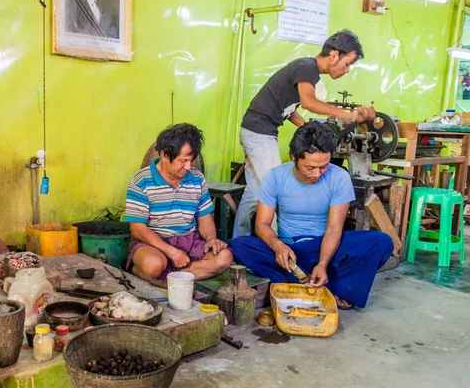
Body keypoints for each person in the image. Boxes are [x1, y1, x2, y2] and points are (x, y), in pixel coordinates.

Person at [229, 121, 393, 309]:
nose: (317, 174)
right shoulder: (275, 176)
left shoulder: (339, 177)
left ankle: (303, 280)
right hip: (289, 252)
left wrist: (322, 263)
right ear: (293, 158)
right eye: (310, 167)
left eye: (323, 166)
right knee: (238, 246)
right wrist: (278, 246)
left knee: (381, 242)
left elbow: (333, 229)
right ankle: (328, 287)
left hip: (324, 247)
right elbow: (262, 225)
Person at [233, 29, 376, 238]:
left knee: (255, 192)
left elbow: (288, 107)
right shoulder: (308, 68)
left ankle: (239, 240)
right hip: (260, 133)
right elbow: (309, 101)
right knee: (274, 191)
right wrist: (350, 115)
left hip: (255, 131)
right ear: (335, 55)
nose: (347, 70)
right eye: (348, 64)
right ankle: (275, 247)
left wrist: (305, 128)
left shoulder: (306, 69)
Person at [125, 123, 233, 285]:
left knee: (225, 257)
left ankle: (171, 276)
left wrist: (211, 239)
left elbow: (204, 218)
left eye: (191, 161)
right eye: (183, 161)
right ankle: (145, 271)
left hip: (188, 241)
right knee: (152, 265)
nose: (189, 167)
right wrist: (172, 253)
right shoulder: (141, 181)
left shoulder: (197, 178)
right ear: (164, 155)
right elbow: (137, 228)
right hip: (153, 243)